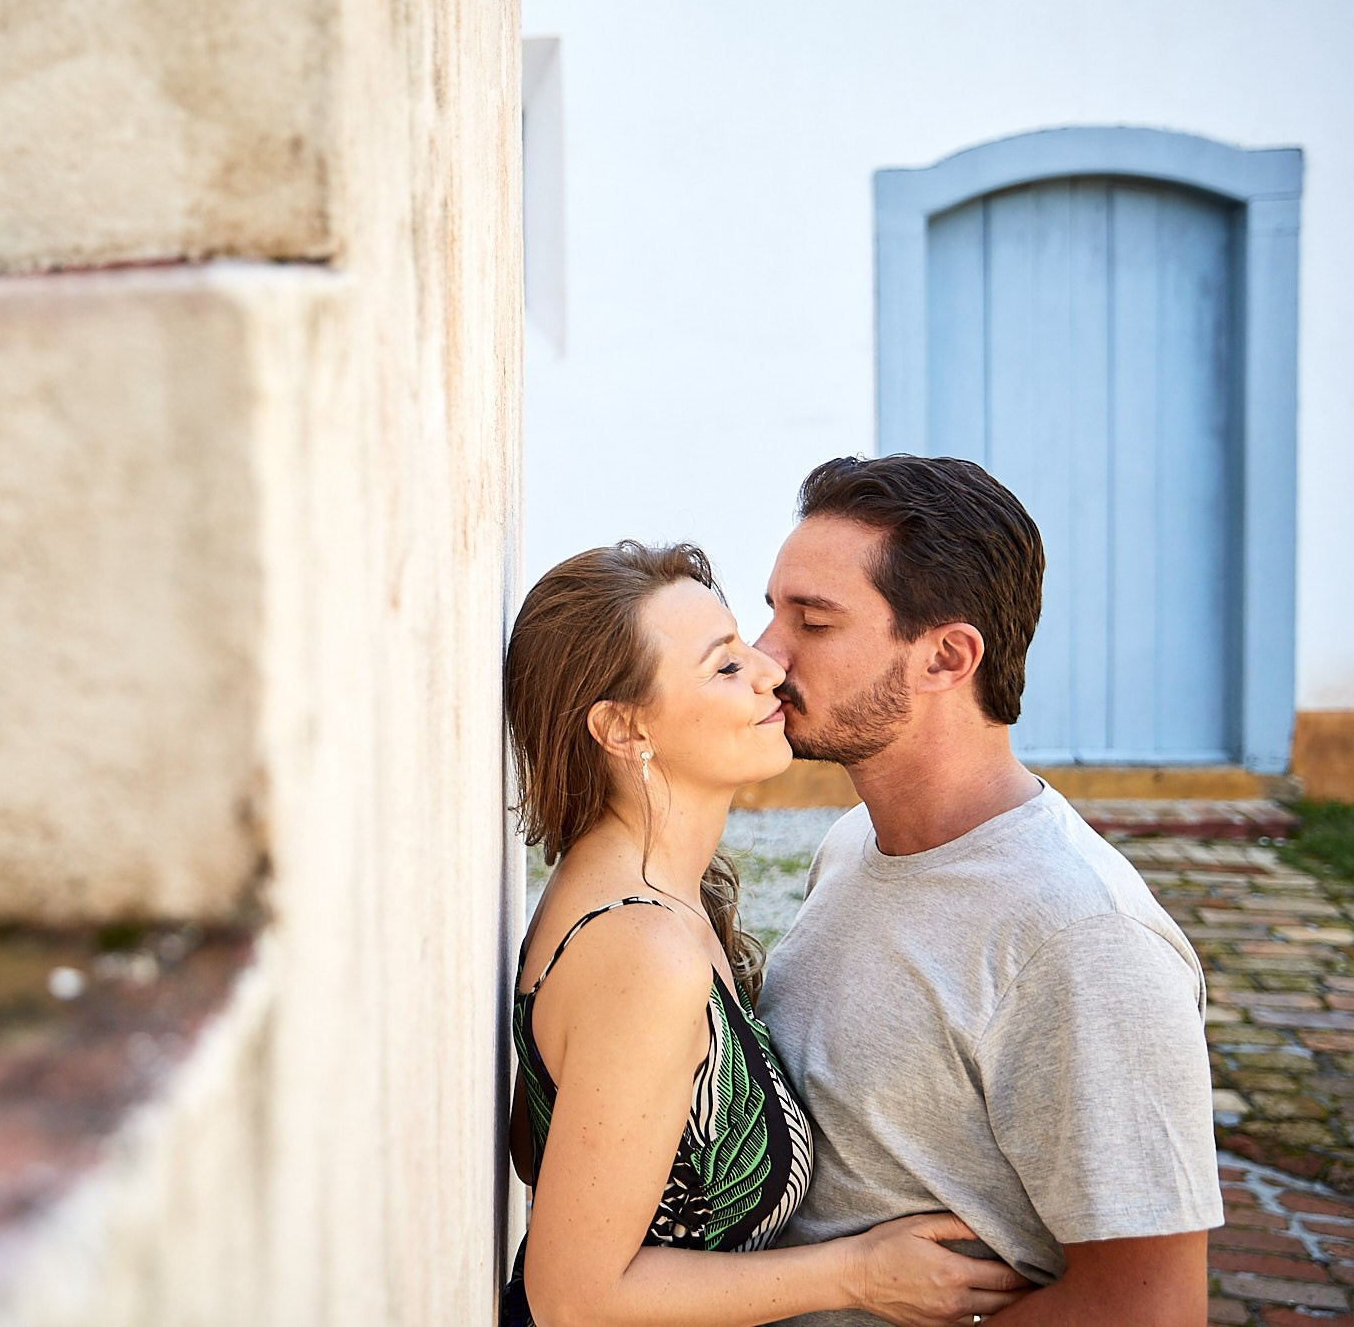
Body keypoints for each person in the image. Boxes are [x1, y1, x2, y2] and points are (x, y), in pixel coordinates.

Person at [501, 540, 1030, 1327]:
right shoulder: (643, 950)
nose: (770, 670)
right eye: (724, 667)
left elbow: (541, 1140)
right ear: (622, 728)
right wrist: (857, 1273)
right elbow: (571, 1297)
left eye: (743, 643)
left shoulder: (653, 887)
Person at [753, 455, 1223, 1326]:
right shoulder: (854, 841)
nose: (764, 653)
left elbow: (1150, 1309)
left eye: (812, 622)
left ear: (947, 656)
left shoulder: (1085, 940)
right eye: (773, 610)